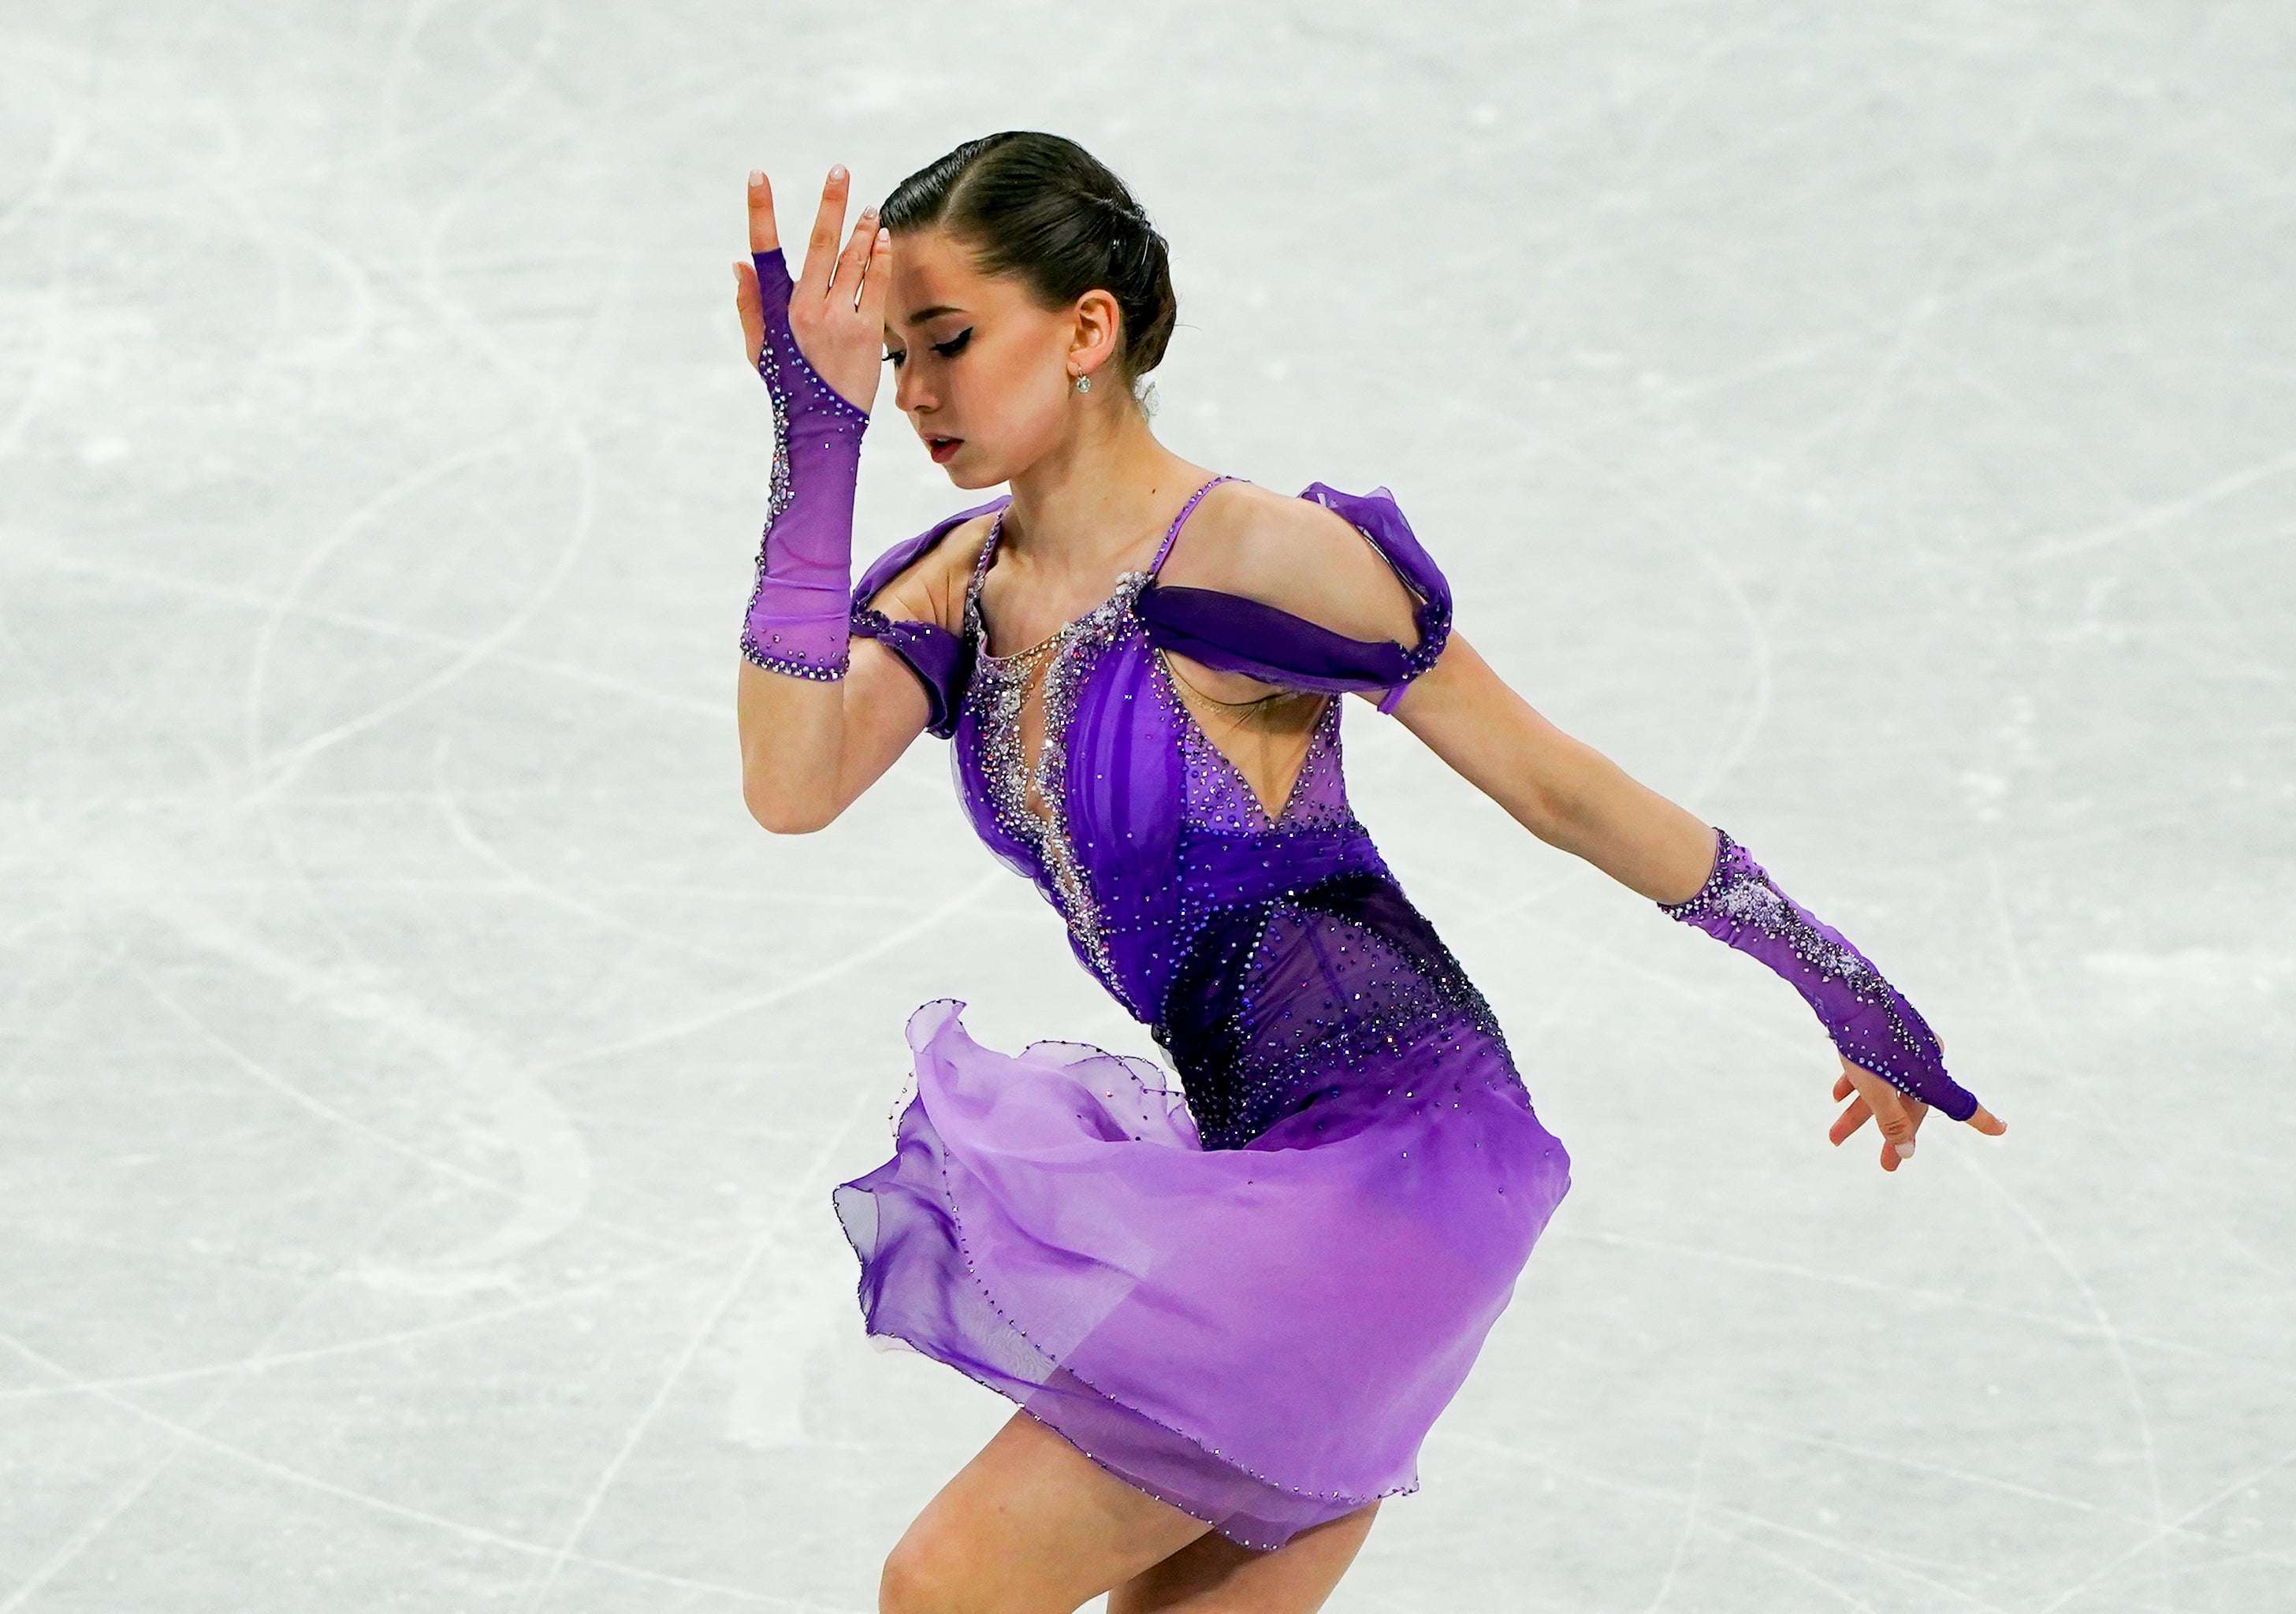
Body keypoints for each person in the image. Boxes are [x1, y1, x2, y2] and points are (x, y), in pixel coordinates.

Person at [730, 131, 2006, 1614]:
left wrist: (1839, 981)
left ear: (1088, 328)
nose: (917, 395)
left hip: (1398, 1165)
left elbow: (1557, 784)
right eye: (890, 360)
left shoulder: (1254, 561)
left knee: (945, 1588)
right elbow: (791, 782)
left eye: (945, 342)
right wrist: (811, 446)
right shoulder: (955, 588)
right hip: (1260, 1177)